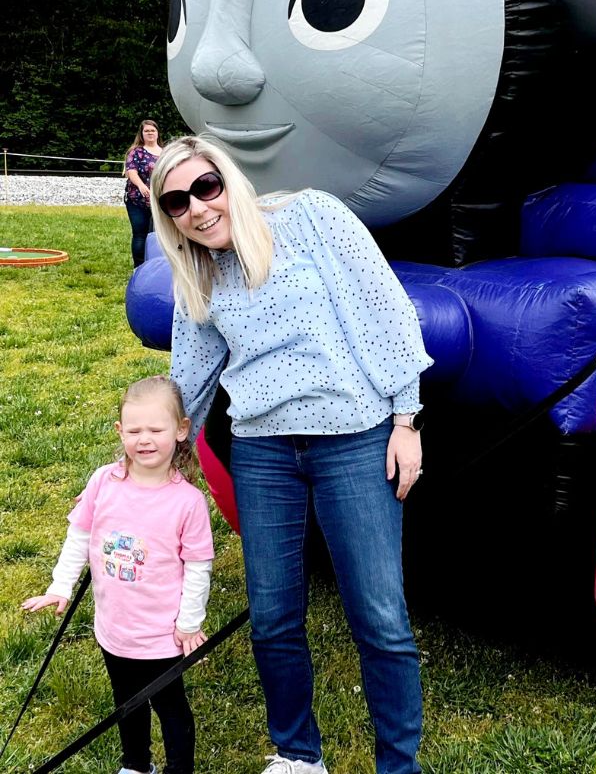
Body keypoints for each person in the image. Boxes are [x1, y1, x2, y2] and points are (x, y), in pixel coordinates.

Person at [151, 134, 431, 774]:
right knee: (273, 617)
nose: (197, 208)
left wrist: (406, 418)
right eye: (176, 201)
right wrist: (163, 453)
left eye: (206, 186)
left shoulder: (310, 217)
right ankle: (299, 754)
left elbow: (384, 310)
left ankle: (399, 765)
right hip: (261, 450)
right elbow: (189, 374)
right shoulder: (197, 273)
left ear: (229, 181)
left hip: (353, 438)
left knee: (380, 616)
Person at [22, 376, 214, 774]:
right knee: (126, 701)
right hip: (114, 628)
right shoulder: (103, 482)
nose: (145, 439)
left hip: (161, 635)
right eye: (134, 430)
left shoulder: (188, 502)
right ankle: (136, 764)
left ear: (181, 430)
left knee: (171, 707)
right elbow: (80, 535)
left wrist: (189, 622)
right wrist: (60, 587)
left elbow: (198, 565)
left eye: (156, 429)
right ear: (119, 431)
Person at [125, 120, 164, 267]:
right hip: (137, 201)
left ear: (157, 133)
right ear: (141, 134)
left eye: (152, 130)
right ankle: (139, 268)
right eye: (146, 131)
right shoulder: (136, 152)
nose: (150, 133)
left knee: (157, 236)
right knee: (140, 235)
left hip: (159, 201)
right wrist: (141, 186)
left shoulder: (165, 152)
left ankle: (155, 265)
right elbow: (131, 171)